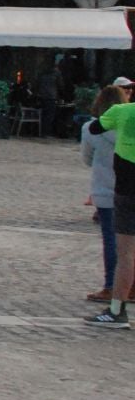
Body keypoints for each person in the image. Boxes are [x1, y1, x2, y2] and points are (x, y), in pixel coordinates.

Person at [85, 90, 135, 327]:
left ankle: (117, 311)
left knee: (125, 254)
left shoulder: (121, 112)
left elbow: (95, 128)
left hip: (127, 192)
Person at [82, 85, 125, 301]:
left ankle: (110, 285)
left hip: (105, 189)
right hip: (129, 188)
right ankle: (129, 286)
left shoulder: (91, 128)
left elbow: (87, 159)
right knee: (129, 242)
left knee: (110, 238)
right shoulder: (129, 127)